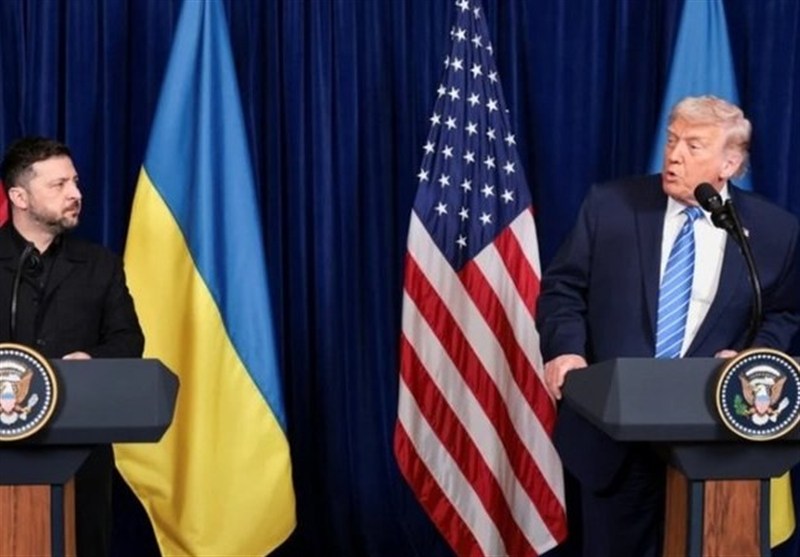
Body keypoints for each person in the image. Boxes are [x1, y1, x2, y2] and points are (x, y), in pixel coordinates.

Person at [536, 96, 800, 557]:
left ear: (729, 164)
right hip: (613, 436)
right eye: (672, 140)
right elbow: (564, 288)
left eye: (693, 146)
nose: (674, 155)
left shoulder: (775, 230)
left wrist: (751, 357)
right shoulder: (610, 206)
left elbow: (784, 311)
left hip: (716, 439)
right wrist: (566, 350)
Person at [0, 136, 144, 557]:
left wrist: (91, 360)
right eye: (58, 185)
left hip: (80, 454)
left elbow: (128, 340)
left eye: (75, 182)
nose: (75, 194)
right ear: (19, 197)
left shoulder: (99, 265)